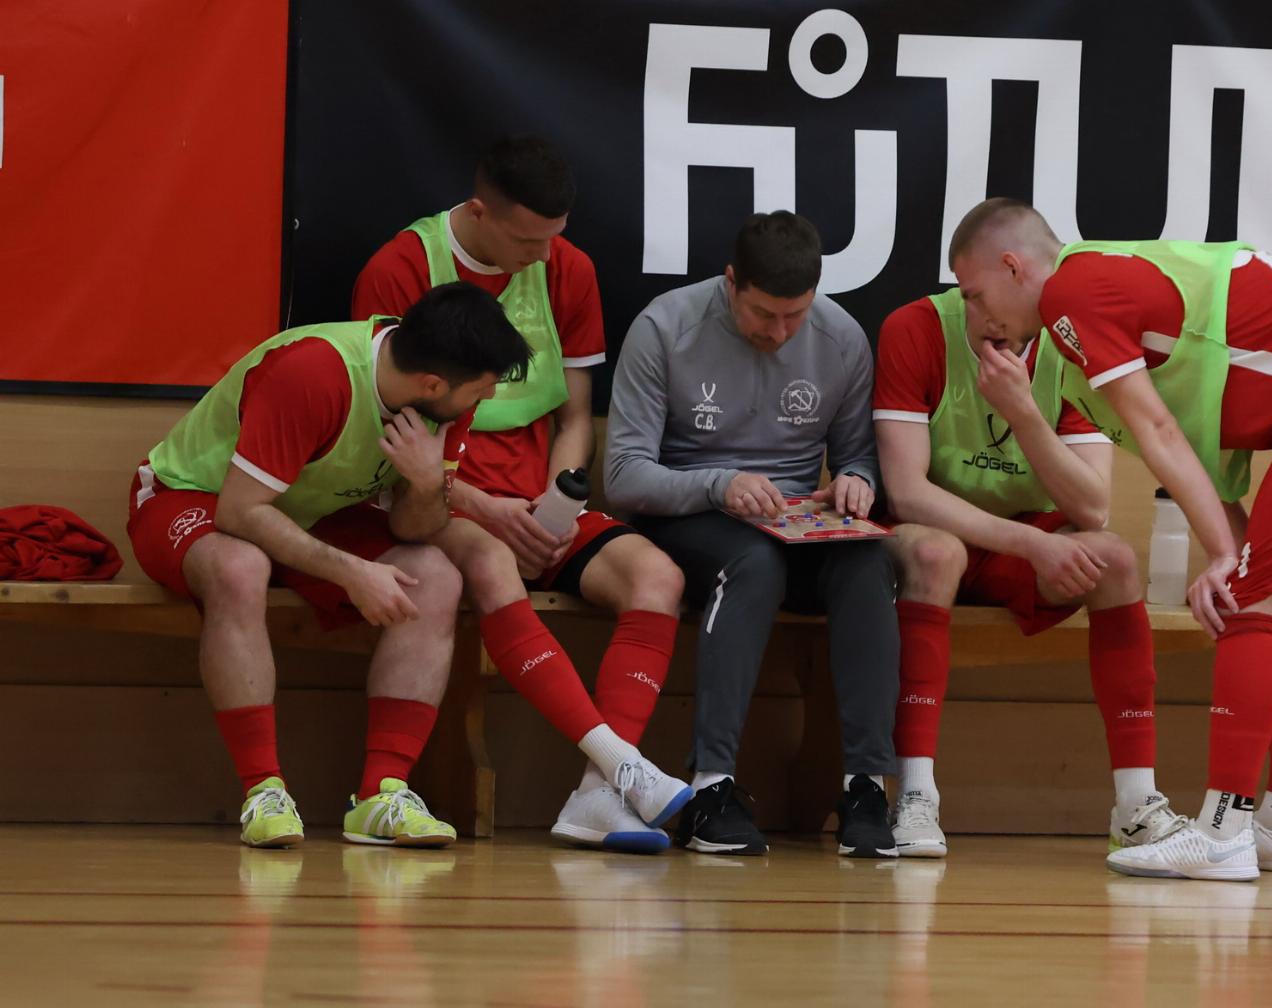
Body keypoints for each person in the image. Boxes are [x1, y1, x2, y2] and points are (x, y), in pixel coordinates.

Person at [948, 198, 1272, 880]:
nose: (976, 317)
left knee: (1251, 599)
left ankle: (1220, 832)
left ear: (1012, 266)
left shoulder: (1072, 293)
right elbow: (1198, 459)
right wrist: (1232, 549)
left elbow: (1157, 431)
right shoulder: (1103, 295)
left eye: (974, 293)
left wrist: (1224, 559)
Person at [353, 135, 687, 853]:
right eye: (529, 240)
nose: (543, 255)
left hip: (535, 503)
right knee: (492, 559)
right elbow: (388, 435)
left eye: (554, 238)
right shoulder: (401, 266)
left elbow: (576, 417)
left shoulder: (568, 267)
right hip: (438, 498)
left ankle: (599, 795)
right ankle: (621, 763)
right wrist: (483, 506)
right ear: (479, 212)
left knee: (658, 575)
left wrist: (556, 505)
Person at [127, 282, 523, 849]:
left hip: (311, 509)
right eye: (482, 390)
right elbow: (240, 512)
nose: (485, 399)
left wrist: (426, 483)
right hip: (196, 495)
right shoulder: (313, 373)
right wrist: (351, 572)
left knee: (434, 576)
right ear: (433, 384)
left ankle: (382, 794)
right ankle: (263, 790)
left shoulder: (446, 391)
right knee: (239, 568)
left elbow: (414, 528)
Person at [606, 210, 899, 858]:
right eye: (764, 313)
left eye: (796, 315)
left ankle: (866, 788)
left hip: (797, 521)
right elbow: (624, 477)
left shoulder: (842, 338)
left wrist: (855, 482)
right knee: (752, 562)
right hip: (690, 515)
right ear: (730, 281)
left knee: (869, 563)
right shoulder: (665, 327)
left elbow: (858, 455)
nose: (780, 331)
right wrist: (720, 485)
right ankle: (710, 789)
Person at [874, 278, 1186, 859]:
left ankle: (1136, 805)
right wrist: (1032, 545)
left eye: (992, 300)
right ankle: (915, 794)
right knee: (937, 554)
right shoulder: (915, 327)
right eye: (971, 297)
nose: (986, 316)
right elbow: (907, 493)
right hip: (934, 532)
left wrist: (1022, 411)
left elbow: (1092, 508)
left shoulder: (1073, 346)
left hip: (1022, 539)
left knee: (1115, 560)